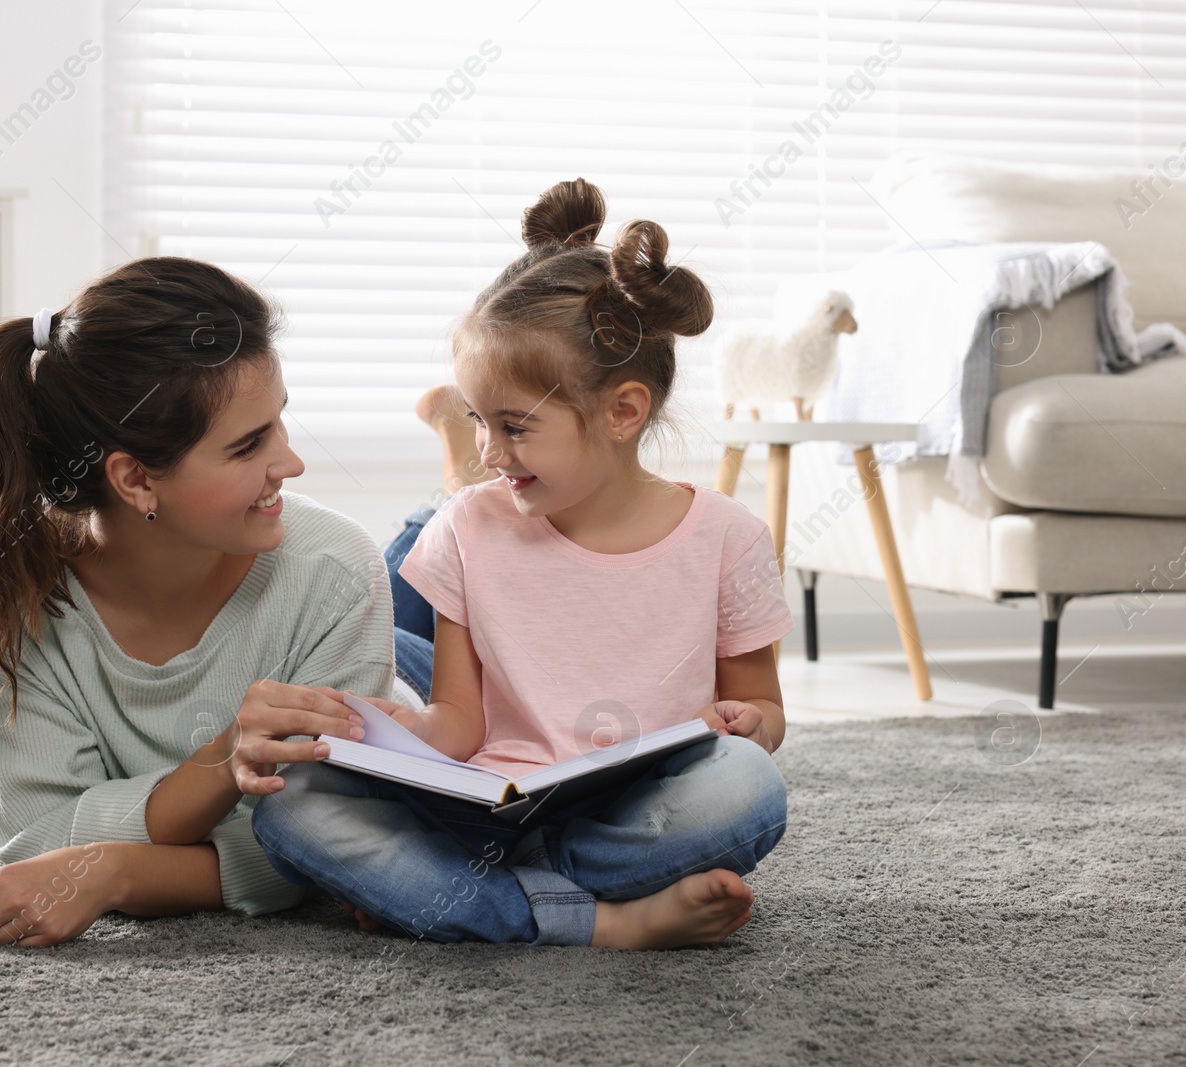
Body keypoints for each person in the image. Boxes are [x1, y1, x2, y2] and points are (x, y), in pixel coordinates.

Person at [251, 178, 795, 950]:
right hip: (485, 809)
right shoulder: (467, 526)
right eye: (477, 420)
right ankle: (601, 920)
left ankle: (464, 897)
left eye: (513, 426)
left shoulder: (728, 537)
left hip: (630, 812)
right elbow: (459, 721)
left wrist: (748, 724)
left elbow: (762, 713)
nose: (488, 453)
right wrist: (388, 733)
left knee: (749, 788)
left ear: (623, 412)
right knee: (292, 804)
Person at [0, 257, 419, 947]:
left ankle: (452, 485)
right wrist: (225, 759)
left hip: (399, 692)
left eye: (280, 422)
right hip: (358, 649)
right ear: (134, 479)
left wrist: (115, 869)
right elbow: (35, 845)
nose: (291, 462)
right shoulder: (18, 601)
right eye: (249, 444)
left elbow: (328, 843)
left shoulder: (334, 568)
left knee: (452, 594)